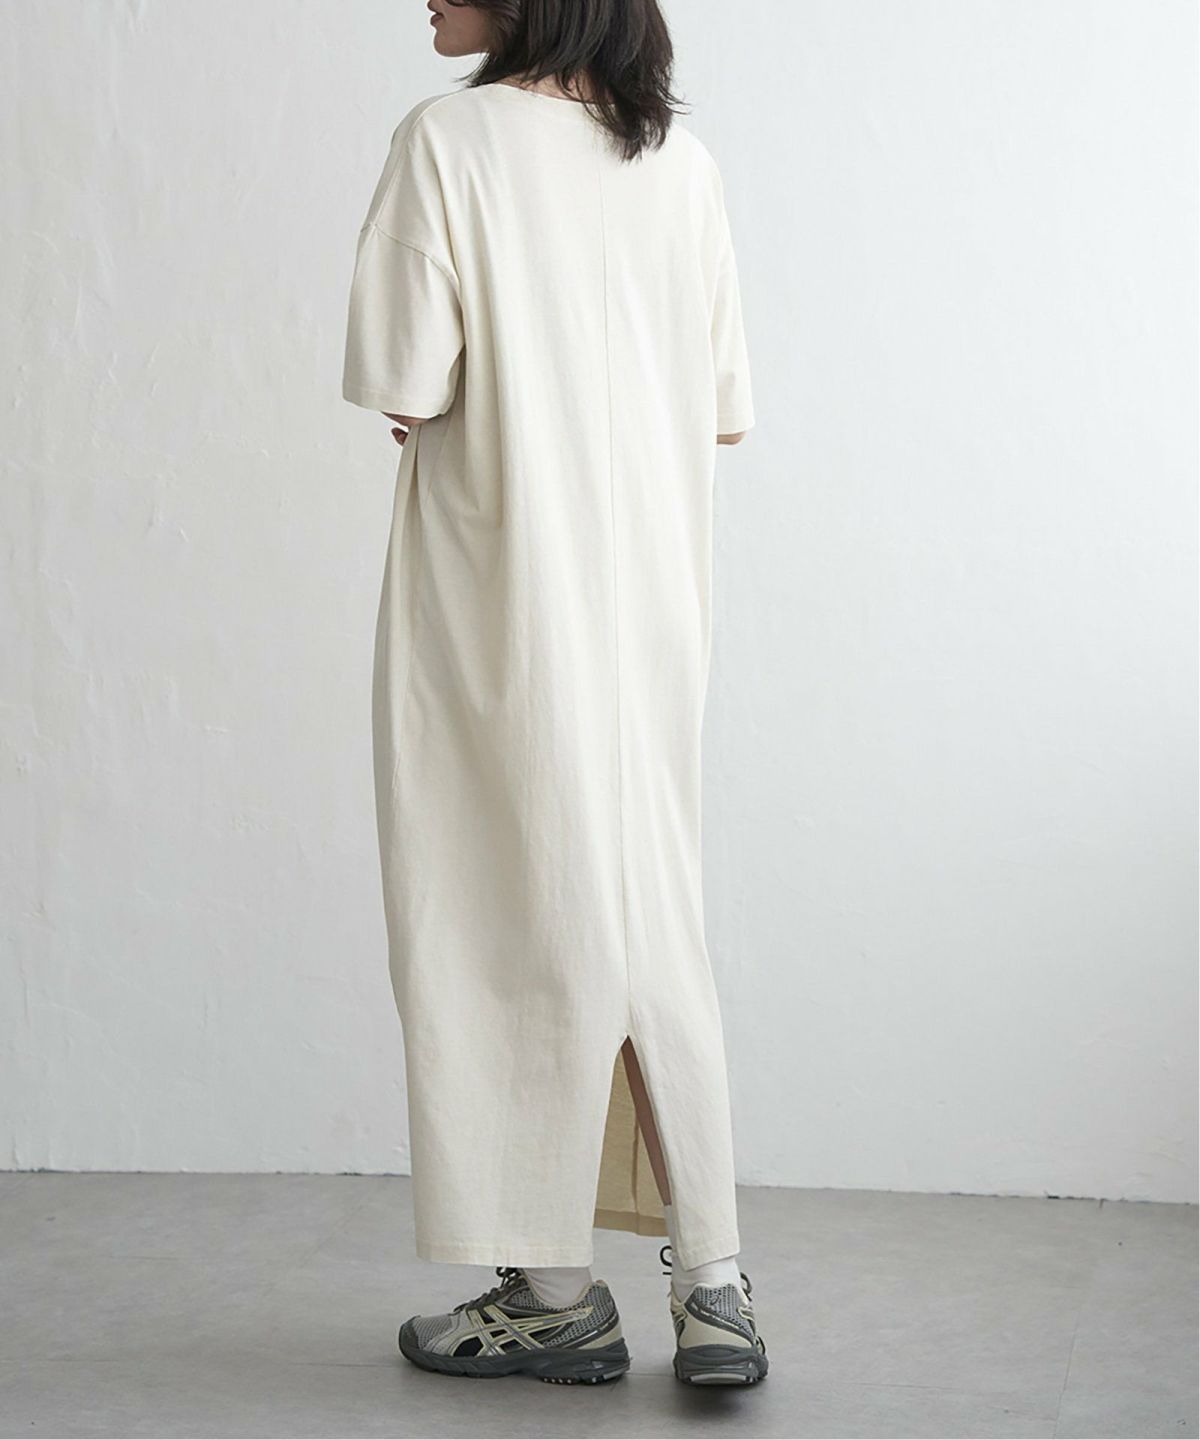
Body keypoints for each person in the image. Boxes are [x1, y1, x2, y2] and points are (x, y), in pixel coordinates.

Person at [341, 0, 766, 1387]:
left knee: (493, 912)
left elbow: (403, 378)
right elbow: (720, 403)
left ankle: (554, 1291)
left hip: (498, 598)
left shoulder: (449, 141)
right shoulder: (681, 166)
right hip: (652, 605)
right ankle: (713, 1282)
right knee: (649, 912)